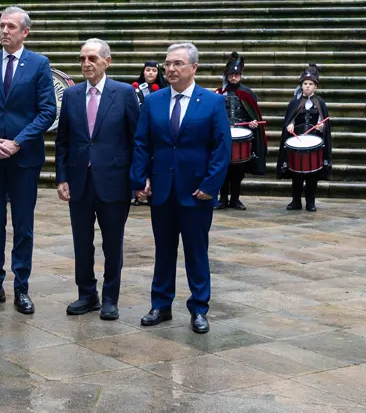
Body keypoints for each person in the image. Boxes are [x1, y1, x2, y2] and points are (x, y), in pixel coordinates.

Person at [132, 42, 230, 335]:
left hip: (196, 192)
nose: (171, 69)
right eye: (167, 64)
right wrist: (140, 179)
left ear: (193, 68)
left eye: (177, 64)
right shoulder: (154, 101)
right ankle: (160, 304)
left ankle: (199, 308)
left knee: (196, 252)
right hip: (162, 190)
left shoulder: (212, 102)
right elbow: (141, 143)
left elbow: (221, 148)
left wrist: (211, 185)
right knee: (163, 251)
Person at [0, 6, 56, 315]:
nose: (4, 31)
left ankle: (21, 287)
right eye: (1, 25)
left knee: (23, 225)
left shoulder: (39, 65)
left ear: (24, 32)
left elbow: (47, 111)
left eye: (11, 26)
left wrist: (18, 142)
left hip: (24, 159)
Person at [55, 39, 138, 321]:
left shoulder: (124, 93)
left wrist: (138, 178)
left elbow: (136, 139)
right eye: (82, 59)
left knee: (112, 243)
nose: (86, 64)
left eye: (91, 58)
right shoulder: (72, 95)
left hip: (114, 180)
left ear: (106, 61)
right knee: (82, 241)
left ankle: (110, 298)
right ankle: (87, 294)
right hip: (79, 180)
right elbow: (63, 141)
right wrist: (62, 177)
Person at [214, 52, 266, 210]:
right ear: (227, 76)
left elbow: (253, 114)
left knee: (238, 170)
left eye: (236, 75)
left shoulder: (247, 93)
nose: (234, 78)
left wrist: (252, 124)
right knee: (223, 169)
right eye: (231, 75)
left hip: (242, 137)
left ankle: (235, 198)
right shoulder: (218, 93)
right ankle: (222, 198)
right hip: (223, 137)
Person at [277, 64, 332, 212]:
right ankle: (296, 201)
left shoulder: (320, 103)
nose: (307, 87)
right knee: (296, 174)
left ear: (315, 86)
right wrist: (290, 125)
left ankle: (310, 202)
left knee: (313, 175)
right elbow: (290, 119)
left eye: (310, 84)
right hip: (297, 142)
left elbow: (324, 122)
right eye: (305, 84)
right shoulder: (295, 102)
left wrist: (322, 127)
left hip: (314, 143)